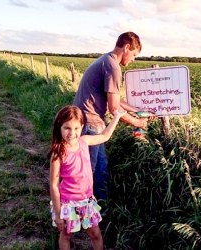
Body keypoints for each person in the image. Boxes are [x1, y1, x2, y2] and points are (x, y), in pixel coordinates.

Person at [73, 31, 150, 200]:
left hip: (88, 120)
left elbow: (114, 97)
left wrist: (136, 109)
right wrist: (137, 122)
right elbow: (114, 108)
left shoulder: (106, 60)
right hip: (90, 122)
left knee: (101, 166)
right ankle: (81, 211)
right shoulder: (113, 66)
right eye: (134, 55)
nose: (133, 59)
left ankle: (100, 206)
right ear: (127, 47)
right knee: (89, 170)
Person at [48, 105, 126, 250]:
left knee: (95, 234)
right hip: (68, 203)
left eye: (76, 128)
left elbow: (104, 136)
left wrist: (116, 117)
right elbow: (54, 184)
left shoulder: (84, 141)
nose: (72, 133)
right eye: (67, 128)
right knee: (66, 234)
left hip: (87, 200)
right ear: (60, 127)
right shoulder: (58, 153)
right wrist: (58, 214)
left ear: (82, 127)